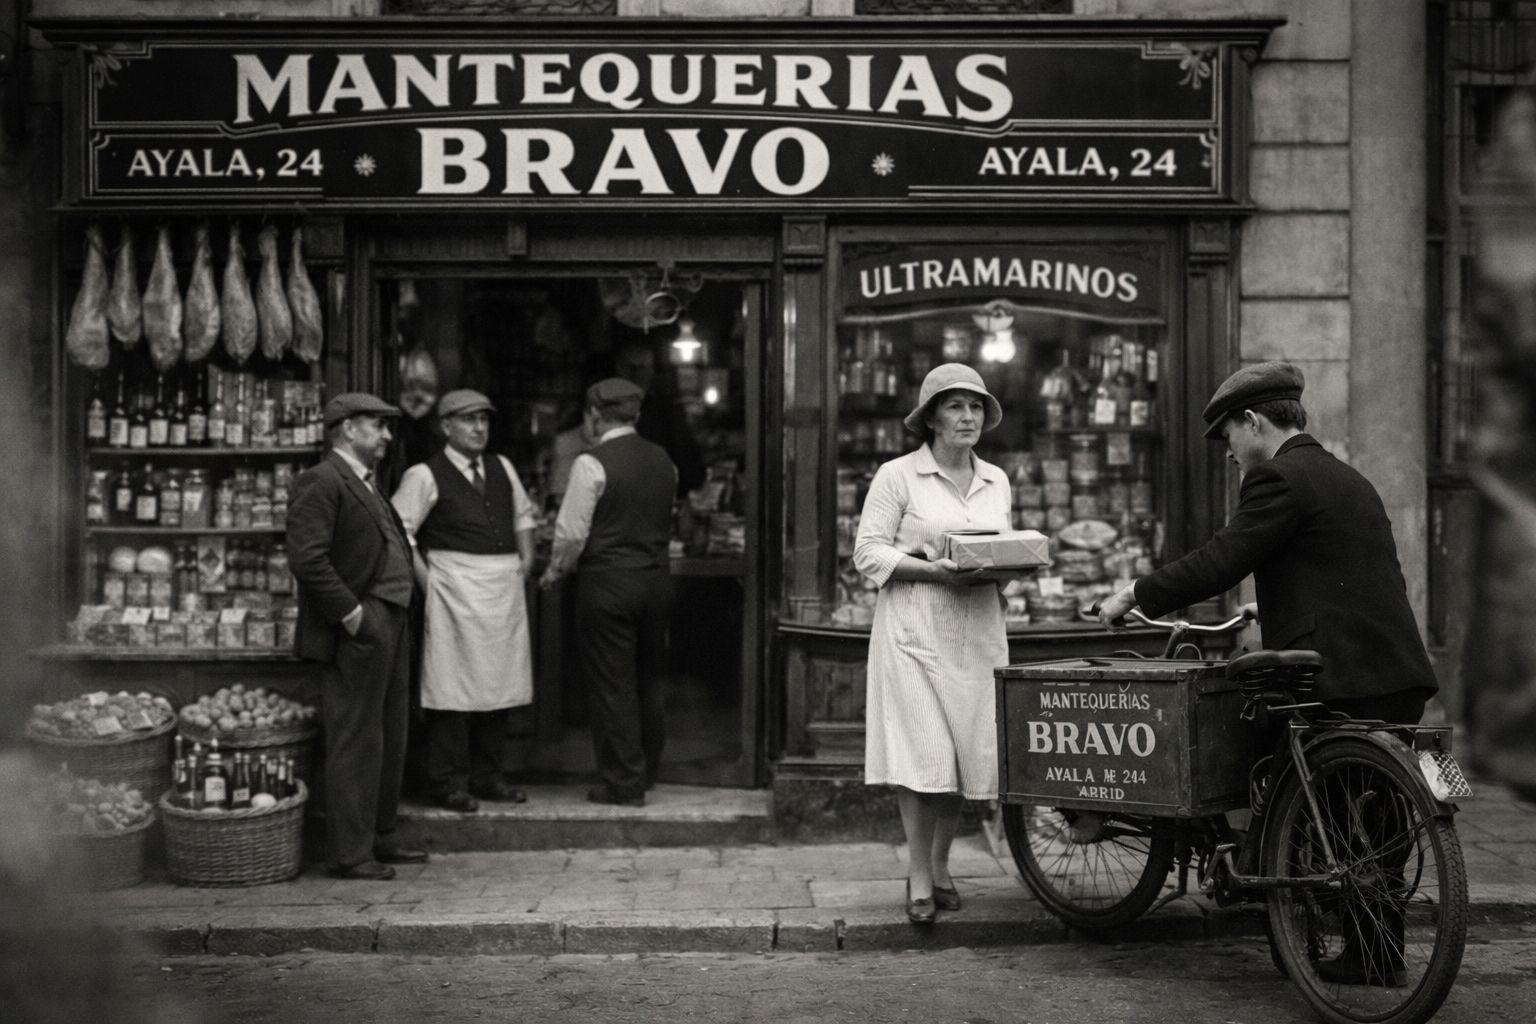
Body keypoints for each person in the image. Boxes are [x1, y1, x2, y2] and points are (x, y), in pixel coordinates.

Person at [1097, 360, 1438, 986]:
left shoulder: (1276, 478)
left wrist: (1134, 593)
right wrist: (1277, 600)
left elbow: (1219, 562)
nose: (1228, 451)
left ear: (1253, 420)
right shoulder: (1344, 475)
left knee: (1298, 793)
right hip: (1395, 670)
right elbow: (1346, 566)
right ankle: (1377, 956)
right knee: (1378, 826)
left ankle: (1273, 884)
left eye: (1227, 433)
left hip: (1334, 676)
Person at [852, 363, 1013, 925]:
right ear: (931, 418)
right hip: (913, 632)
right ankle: (919, 874)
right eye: (954, 406)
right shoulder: (898, 476)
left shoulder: (996, 479)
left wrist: (1010, 565)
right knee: (925, 758)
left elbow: (998, 548)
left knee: (966, 759)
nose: (967, 416)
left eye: (975, 407)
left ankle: (942, 866)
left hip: (976, 632)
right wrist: (934, 571)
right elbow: (868, 553)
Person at [286, 393, 429, 880]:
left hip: (391, 619)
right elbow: (308, 558)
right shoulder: (323, 481)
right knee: (356, 737)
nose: (387, 436)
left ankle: (378, 836)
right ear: (347, 428)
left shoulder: (368, 483)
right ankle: (350, 853)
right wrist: (352, 615)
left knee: (389, 731)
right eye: (377, 426)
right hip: (361, 626)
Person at [390, 389, 538, 812]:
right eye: (468, 420)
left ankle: (489, 776)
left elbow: (523, 516)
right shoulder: (424, 474)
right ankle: (447, 781)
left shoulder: (502, 467)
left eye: (484, 420)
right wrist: (428, 581)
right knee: (452, 689)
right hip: (453, 589)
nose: (478, 428)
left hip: (501, 588)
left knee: (499, 684)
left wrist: (526, 559)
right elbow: (401, 533)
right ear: (446, 426)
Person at [539, 377, 677, 807]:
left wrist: (554, 571)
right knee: (649, 680)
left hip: (608, 582)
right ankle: (648, 769)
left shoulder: (589, 463)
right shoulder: (663, 460)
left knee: (612, 683)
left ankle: (623, 781)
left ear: (594, 415)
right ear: (635, 415)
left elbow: (571, 533)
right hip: (655, 581)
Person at [614, 340, 706, 496]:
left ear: (651, 371)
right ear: (619, 369)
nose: (638, 374)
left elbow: (690, 467)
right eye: (632, 368)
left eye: (643, 367)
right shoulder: (607, 411)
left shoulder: (666, 411)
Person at [375, 347, 442, 498]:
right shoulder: (395, 429)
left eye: (426, 388)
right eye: (411, 386)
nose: (418, 394)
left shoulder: (434, 434)